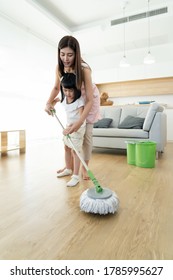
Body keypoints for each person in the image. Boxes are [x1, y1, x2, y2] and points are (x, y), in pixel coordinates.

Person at [45, 35, 100, 180]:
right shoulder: (60, 67)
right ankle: (69, 166)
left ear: (77, 54)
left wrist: (80, 122)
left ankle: (84, 167)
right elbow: (57, 87)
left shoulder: (85, 69)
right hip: (73, 98)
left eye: (70, 55)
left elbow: (88, 100)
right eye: (62, 54)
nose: (65, 58)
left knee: (86, 136)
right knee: (71, 136)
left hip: (89, 99)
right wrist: (48, 102)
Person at [56, 72, 86, 187]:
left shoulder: (79, 101)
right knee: (66, 148)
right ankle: (68, 169)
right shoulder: (64, 98)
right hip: (68, 127)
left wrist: (73, 127)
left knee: (75, 151)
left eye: (71, 91)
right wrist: (51, 104)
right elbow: (57, 99)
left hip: (78, 128)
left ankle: (76, 176)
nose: (67, 93)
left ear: (76, 89)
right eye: (65, 90)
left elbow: (81, 119)